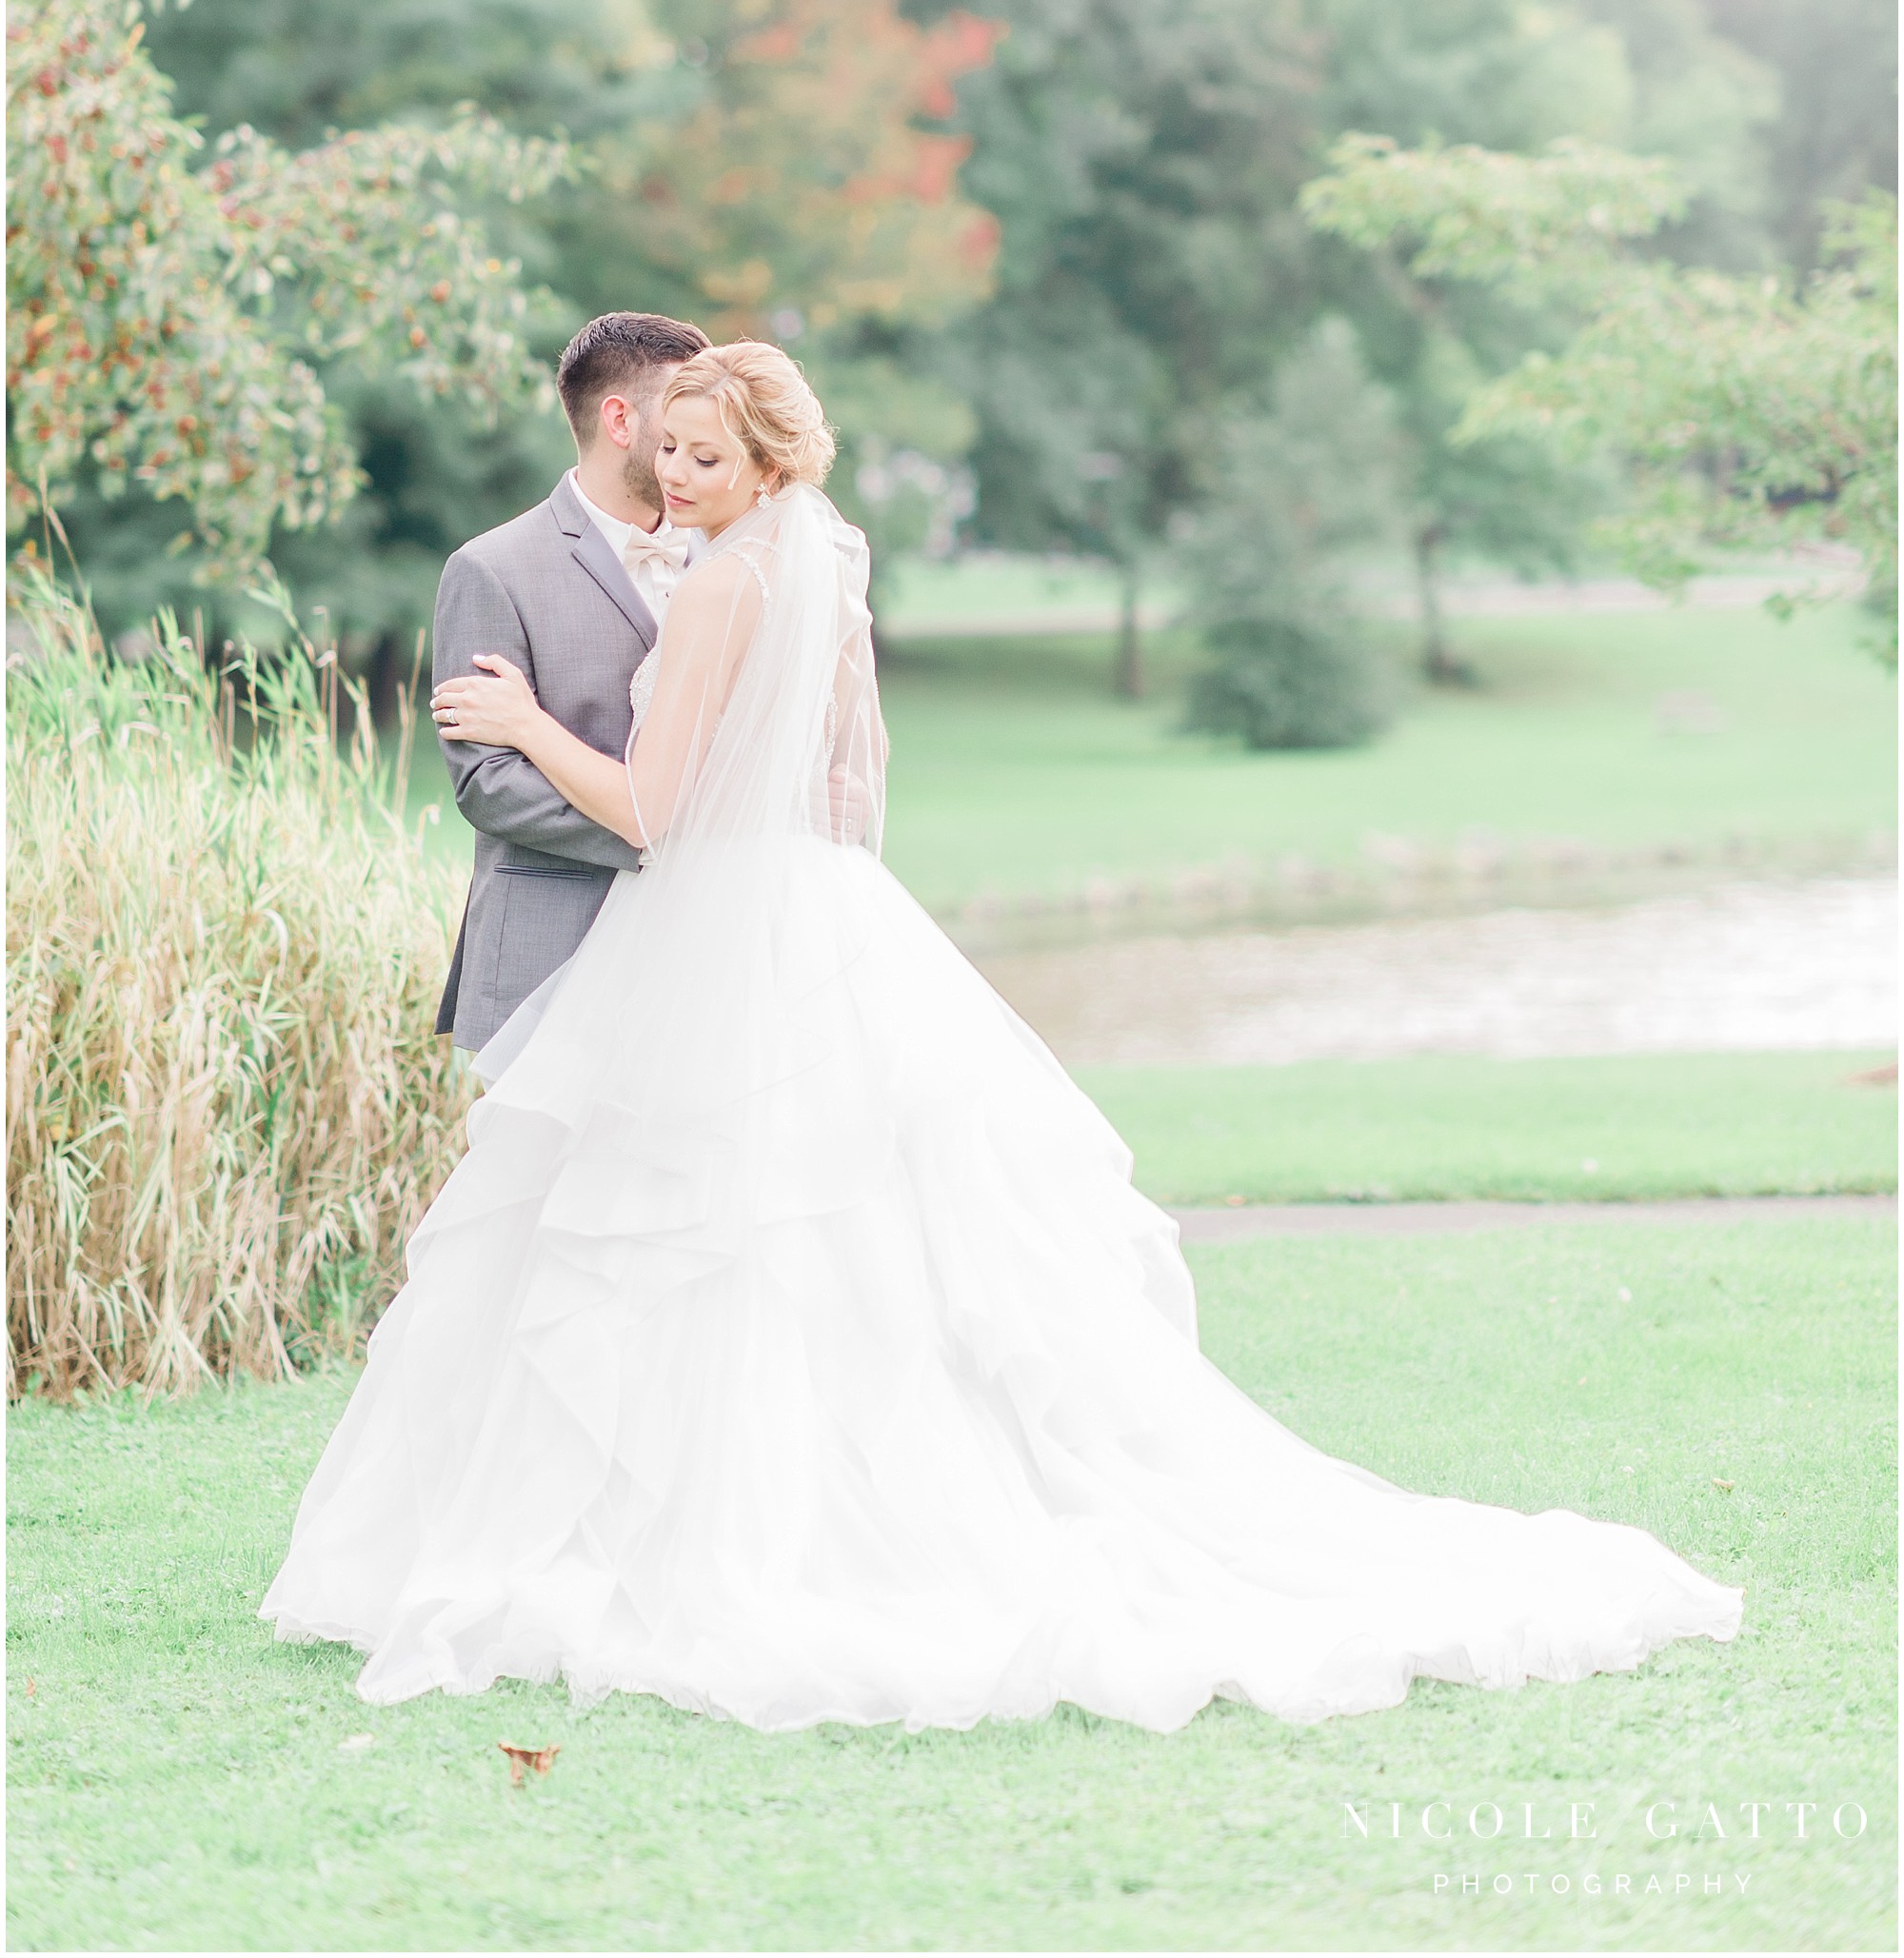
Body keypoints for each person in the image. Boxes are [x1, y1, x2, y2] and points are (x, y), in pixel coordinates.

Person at [261, 343, 1743, 1731]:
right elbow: (855, 781)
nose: (678, 478)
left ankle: (720, 1537)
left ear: (769, 464)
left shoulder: (717, 591)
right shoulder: (826, 561)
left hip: (719, 920)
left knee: (705, 1231)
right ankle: (766, 1511)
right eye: (674, 454)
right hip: (815, 909)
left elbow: (650, 808)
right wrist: (811, 886)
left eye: (708, 458)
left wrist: (528, 725)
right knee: (804, 1235)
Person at [430, 308, 710, 1058]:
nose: (706, 431)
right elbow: (487, 784)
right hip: (550, 958)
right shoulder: (492, 569)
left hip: (705, 956)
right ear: (620, 420)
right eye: (683, 412)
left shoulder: (734, 558)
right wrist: (659, 833)